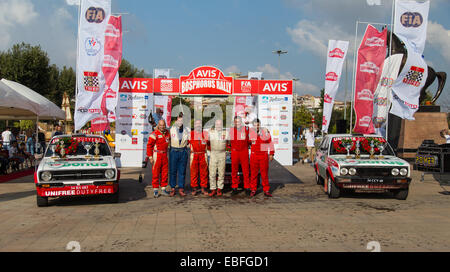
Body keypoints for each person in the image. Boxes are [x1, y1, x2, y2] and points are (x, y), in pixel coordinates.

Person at [249, 119, 275, 197]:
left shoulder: (265, 132)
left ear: (259, 125)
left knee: (264, 174)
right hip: (254, 155)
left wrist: (271, 154)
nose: (256, 127)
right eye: (255, 125)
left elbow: (270, 143)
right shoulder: (250, 133)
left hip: (263, 155)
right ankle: (253, 190)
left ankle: (266, 190)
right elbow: (247, 141)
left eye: (258, 125)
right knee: (253, 174)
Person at [147, 119, 170, 198]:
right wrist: (150, 157)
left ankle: (163, 189)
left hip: (165, 154)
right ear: (158, 126)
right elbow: (149, 146)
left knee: (165, 173)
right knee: (156, 173)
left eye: (163, 125)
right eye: (160, 125)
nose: (162, 126)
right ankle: (156, 190)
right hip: (157, 154)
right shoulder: (154, 134)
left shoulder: (167, 133)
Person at [168, 114, 190, 197]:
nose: (180, 122)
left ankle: (181, 188)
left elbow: (191, 139)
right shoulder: (171, 128)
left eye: (182, 120)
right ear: (177, 120)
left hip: (183, 151)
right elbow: (162, 132)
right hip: (174, 151)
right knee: (173, 171)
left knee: (182, 171)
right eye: (179, 120)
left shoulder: (187, 129)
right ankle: (173, 188)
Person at [230, 116, 251, 195]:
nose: (237, 123)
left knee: (246, 170)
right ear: (234, 122)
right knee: (234, 170)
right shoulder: (231, 130)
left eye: (238, 121)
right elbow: (228, 141)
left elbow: (250, 139)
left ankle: (247, 187)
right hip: (235, 151)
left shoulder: (246, 129)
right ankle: (234, 187)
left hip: (244, 151)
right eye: (235, 121)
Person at [207, 119, 228, 197]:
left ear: (222, 125)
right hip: (213, 154)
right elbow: (207, 142)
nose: (218, 126)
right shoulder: (211, 132)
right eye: (217, 124)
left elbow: (229, 143)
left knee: (221, 173)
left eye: (220, 124)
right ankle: (213, 189)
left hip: (222, 154)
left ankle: (219, 189)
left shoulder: (226, 133)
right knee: (212, 173)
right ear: (215, 125)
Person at [189, 120, 209, 196]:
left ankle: (203, 188)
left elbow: (209, 144)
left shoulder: (205, 133)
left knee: (204, 172)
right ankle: (194, 189)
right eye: (196, 124)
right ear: (194, 125)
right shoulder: (190, 134)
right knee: (194, 172)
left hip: (203, 154)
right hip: (194, 154)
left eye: (199, 124)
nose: (198, 125)